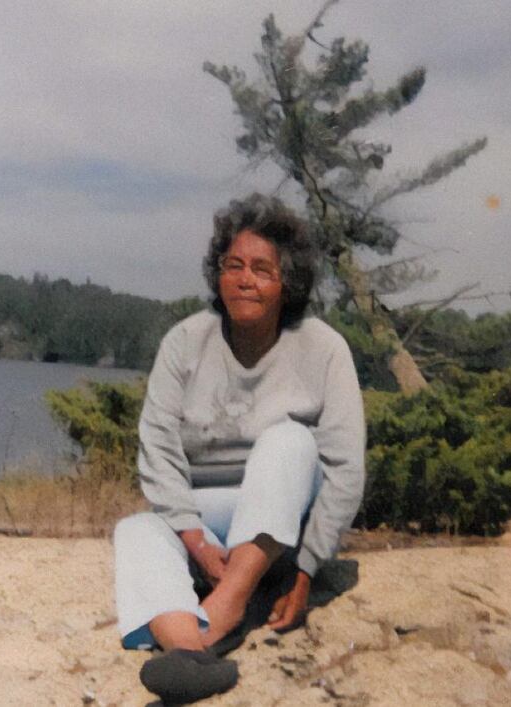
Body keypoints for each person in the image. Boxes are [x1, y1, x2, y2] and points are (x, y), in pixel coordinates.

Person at [114, 193, 365, 702]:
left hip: (282, 526)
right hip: (206, 519)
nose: (245, 279)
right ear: (217, 274)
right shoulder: (185, 342)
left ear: (286, 283)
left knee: (290, 440)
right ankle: (191, 654)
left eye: (261, 269)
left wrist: (305, 570)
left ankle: (225, 608)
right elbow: (158, 449)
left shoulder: (324, 348)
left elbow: (345, 469)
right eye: (233, 266)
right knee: (136, 529)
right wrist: (196, 543)